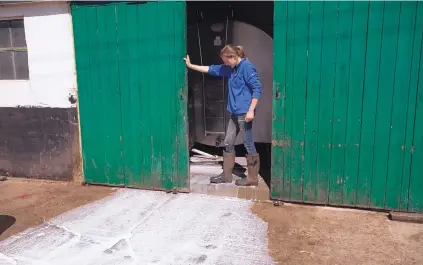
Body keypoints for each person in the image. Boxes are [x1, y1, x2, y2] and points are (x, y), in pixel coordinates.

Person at [183, 44, 263, 186]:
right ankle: (227, 176)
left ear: (233, 57)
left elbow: (257, 88)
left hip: (244, 113)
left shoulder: (246, 67)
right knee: (228, 141)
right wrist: (190, 66)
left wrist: (251, 110)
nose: (225, 63)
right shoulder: (230, 68)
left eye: (226, 60)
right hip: (234, 112)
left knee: (248, 143)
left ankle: (252, 178)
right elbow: (211, 69)